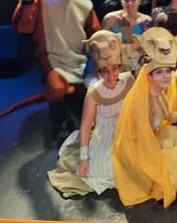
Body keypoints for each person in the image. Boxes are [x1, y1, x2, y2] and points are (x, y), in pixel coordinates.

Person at [112, 27, 177, 208]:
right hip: (143, 150)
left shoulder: (158, 92)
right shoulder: (141, 102)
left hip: (156, 137)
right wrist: (173, 144)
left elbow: (165, 114)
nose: (166, 76)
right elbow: (141, 142)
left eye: (168, 71)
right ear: (148, 76)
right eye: (159, 72)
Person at [6, 0, 101, 135]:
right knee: (57, 89)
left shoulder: (86, 4)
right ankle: (59, 124)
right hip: (51, 58)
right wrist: (26, 4)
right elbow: (23, 27)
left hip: (77, 61)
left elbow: (95, 34)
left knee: (83, 93)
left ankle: (67, 96)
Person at [48, 31, 134, 197]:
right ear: (98, 71)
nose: (110, 76)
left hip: (127, 132)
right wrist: (83, 158)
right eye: (104, 71)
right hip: (106, 137)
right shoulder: (94, 93)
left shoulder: (128, 81)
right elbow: (86, 126)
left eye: (114, 69)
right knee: (109, 169)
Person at [102, 0, 151, 75]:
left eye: (133, 0)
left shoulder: (146, 21)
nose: (130, 4)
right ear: (121, 2)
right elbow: (102, 44)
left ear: (139, 1)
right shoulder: (110, 19)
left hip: (138, 64)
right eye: (126, 0)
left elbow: (150, 47)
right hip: (115, 63)